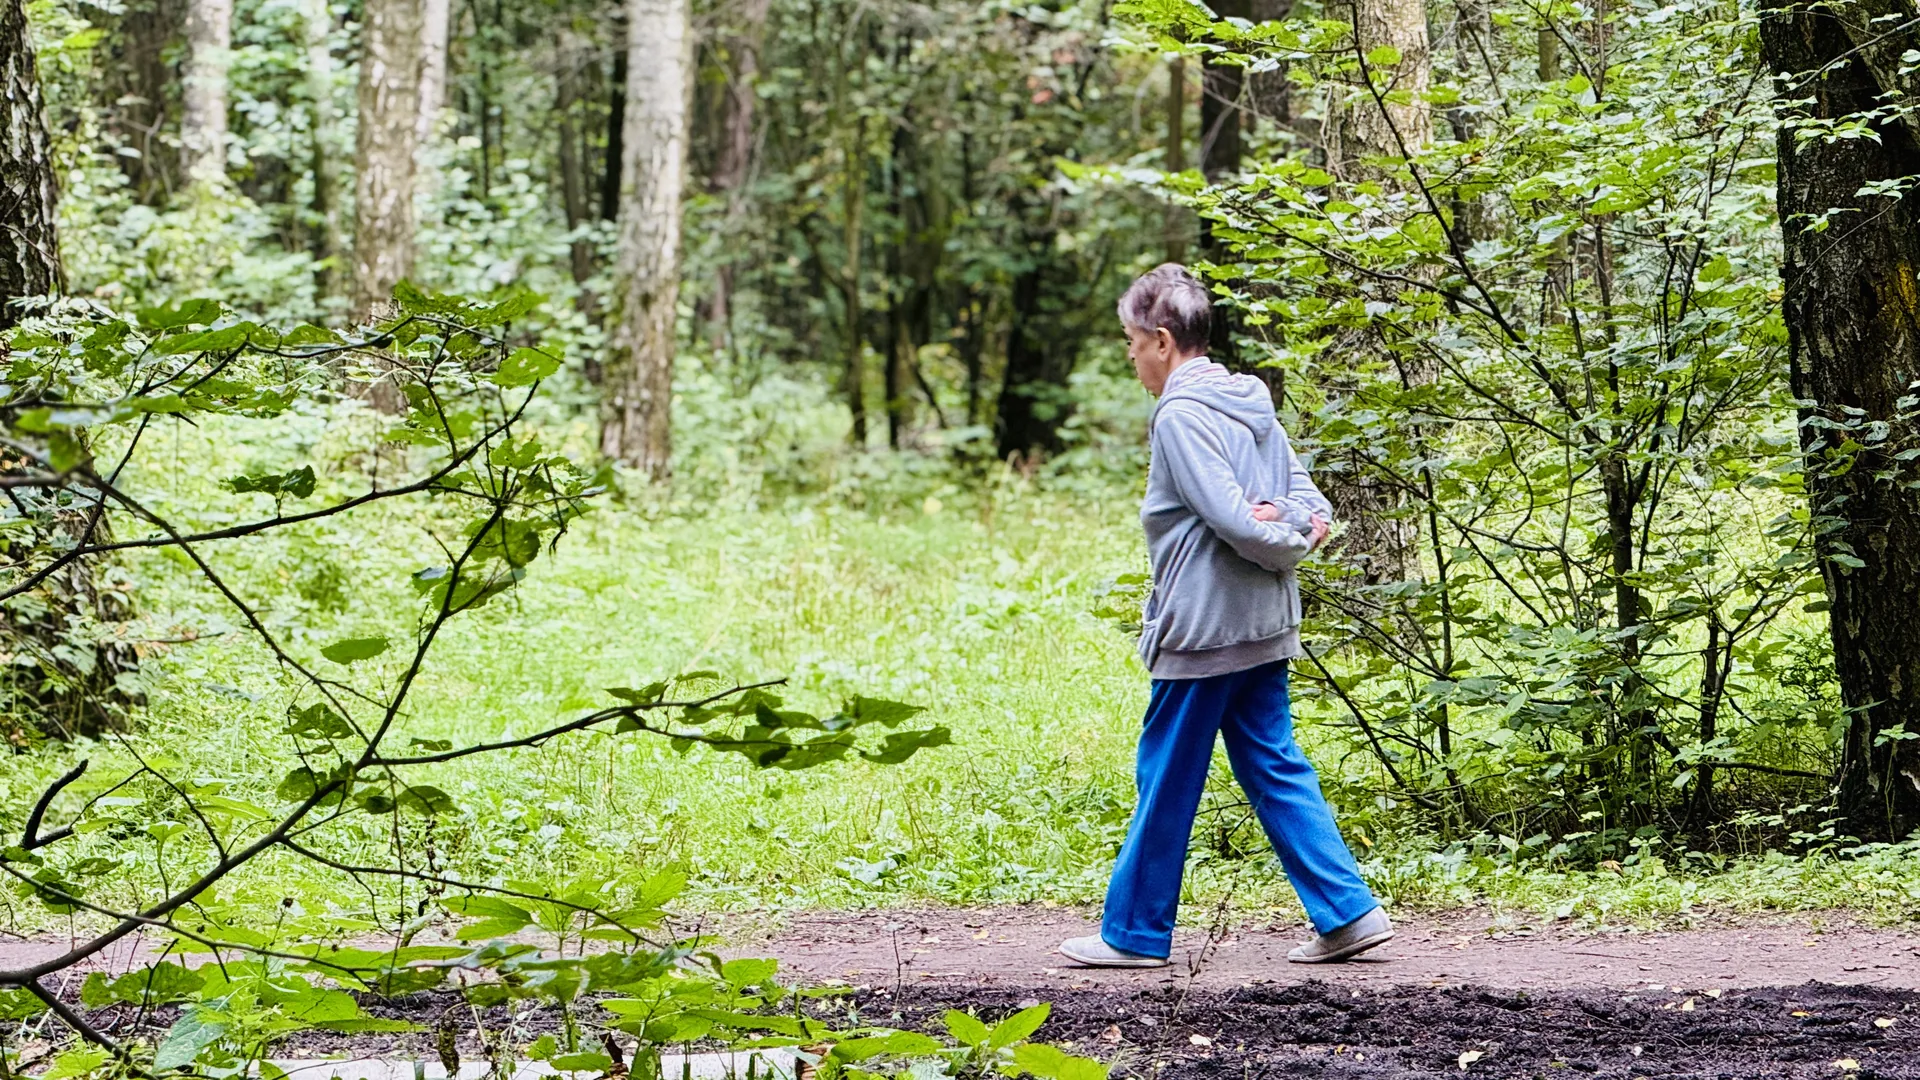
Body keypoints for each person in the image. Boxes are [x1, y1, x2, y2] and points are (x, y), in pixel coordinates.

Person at [1058, 264, 1392, 968]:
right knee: (1274, 763)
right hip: (1264, 623)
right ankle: (1349, 913)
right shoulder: (1250, 401)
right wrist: (1298, 528)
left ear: (1160, 340)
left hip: (1205, 628)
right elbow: (1304, 502)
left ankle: (1134, 934)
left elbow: (1241, 520)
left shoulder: (1181, 414)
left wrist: (1285, 538)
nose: (1130, 358)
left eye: (1130, 343)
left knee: (1167, 772)